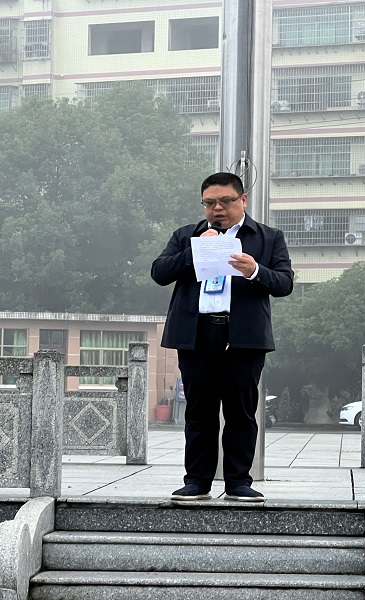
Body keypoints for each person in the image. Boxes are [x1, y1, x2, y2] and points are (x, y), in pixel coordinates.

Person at [151, 172, 294, 502]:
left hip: (243, 337)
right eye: (210, 203)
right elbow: (159, 272)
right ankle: (197, 481)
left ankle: (239, 481)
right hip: (197, 334)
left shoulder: (268, 238)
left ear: (243, 200)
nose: (217, 208)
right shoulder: (187, 235)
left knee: (240, 411)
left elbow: (285, 283)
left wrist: (255, 271)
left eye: (226, 201)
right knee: (198, 411)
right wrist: (196, 250)